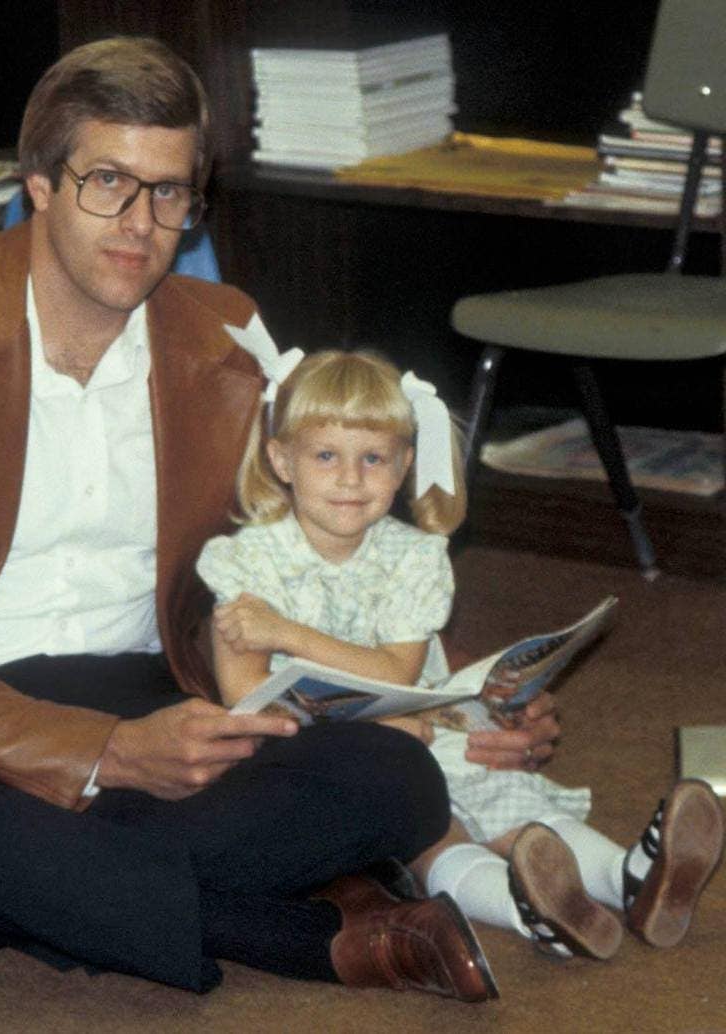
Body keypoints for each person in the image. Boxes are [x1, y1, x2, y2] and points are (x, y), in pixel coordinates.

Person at [0, 38, 569, 1017]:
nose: (140, 224)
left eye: (169, 193)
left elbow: (311, 543)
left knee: (390, 776)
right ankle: (316, 938)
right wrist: (103, 754)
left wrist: (449, 688)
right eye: (107, 182)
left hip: (159, 686)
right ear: (36, 182)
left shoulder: (222, 333)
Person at [197, 348, 725, 961]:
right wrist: (367, 723)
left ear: (403, 467)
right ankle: (527, 909)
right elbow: (243, 696)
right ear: (281, 460)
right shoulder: (245, 562)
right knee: (427, 824)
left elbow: (397, 672)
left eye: (373, 458)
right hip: (309, 752)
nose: (350, 479)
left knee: (498, 785)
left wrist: (284, 631)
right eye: (325, 456)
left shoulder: (413, 557)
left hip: (425, 722)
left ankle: (628, 877)